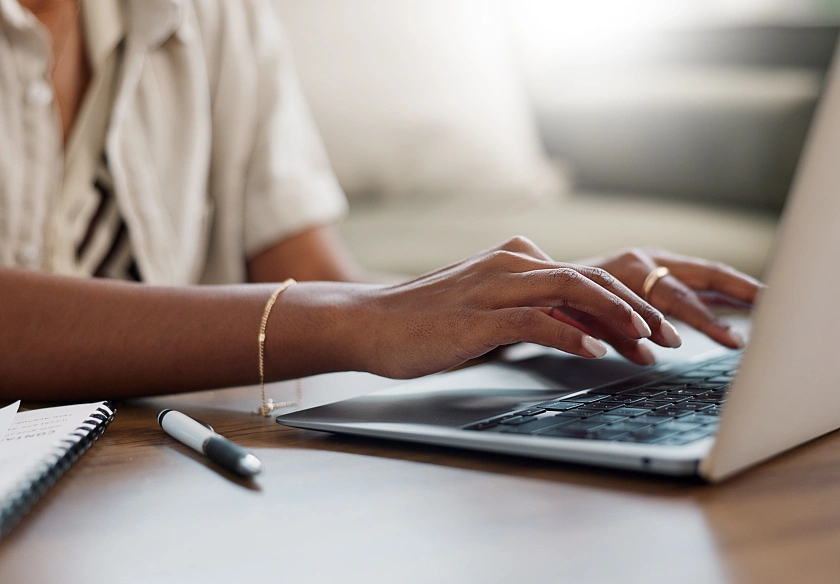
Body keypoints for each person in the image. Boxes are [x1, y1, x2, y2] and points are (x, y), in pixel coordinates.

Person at [0, 0, 761, 404]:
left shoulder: (215, 14)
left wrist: (528, 304)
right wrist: (356, 321)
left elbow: (309, 271)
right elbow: (337, 316)